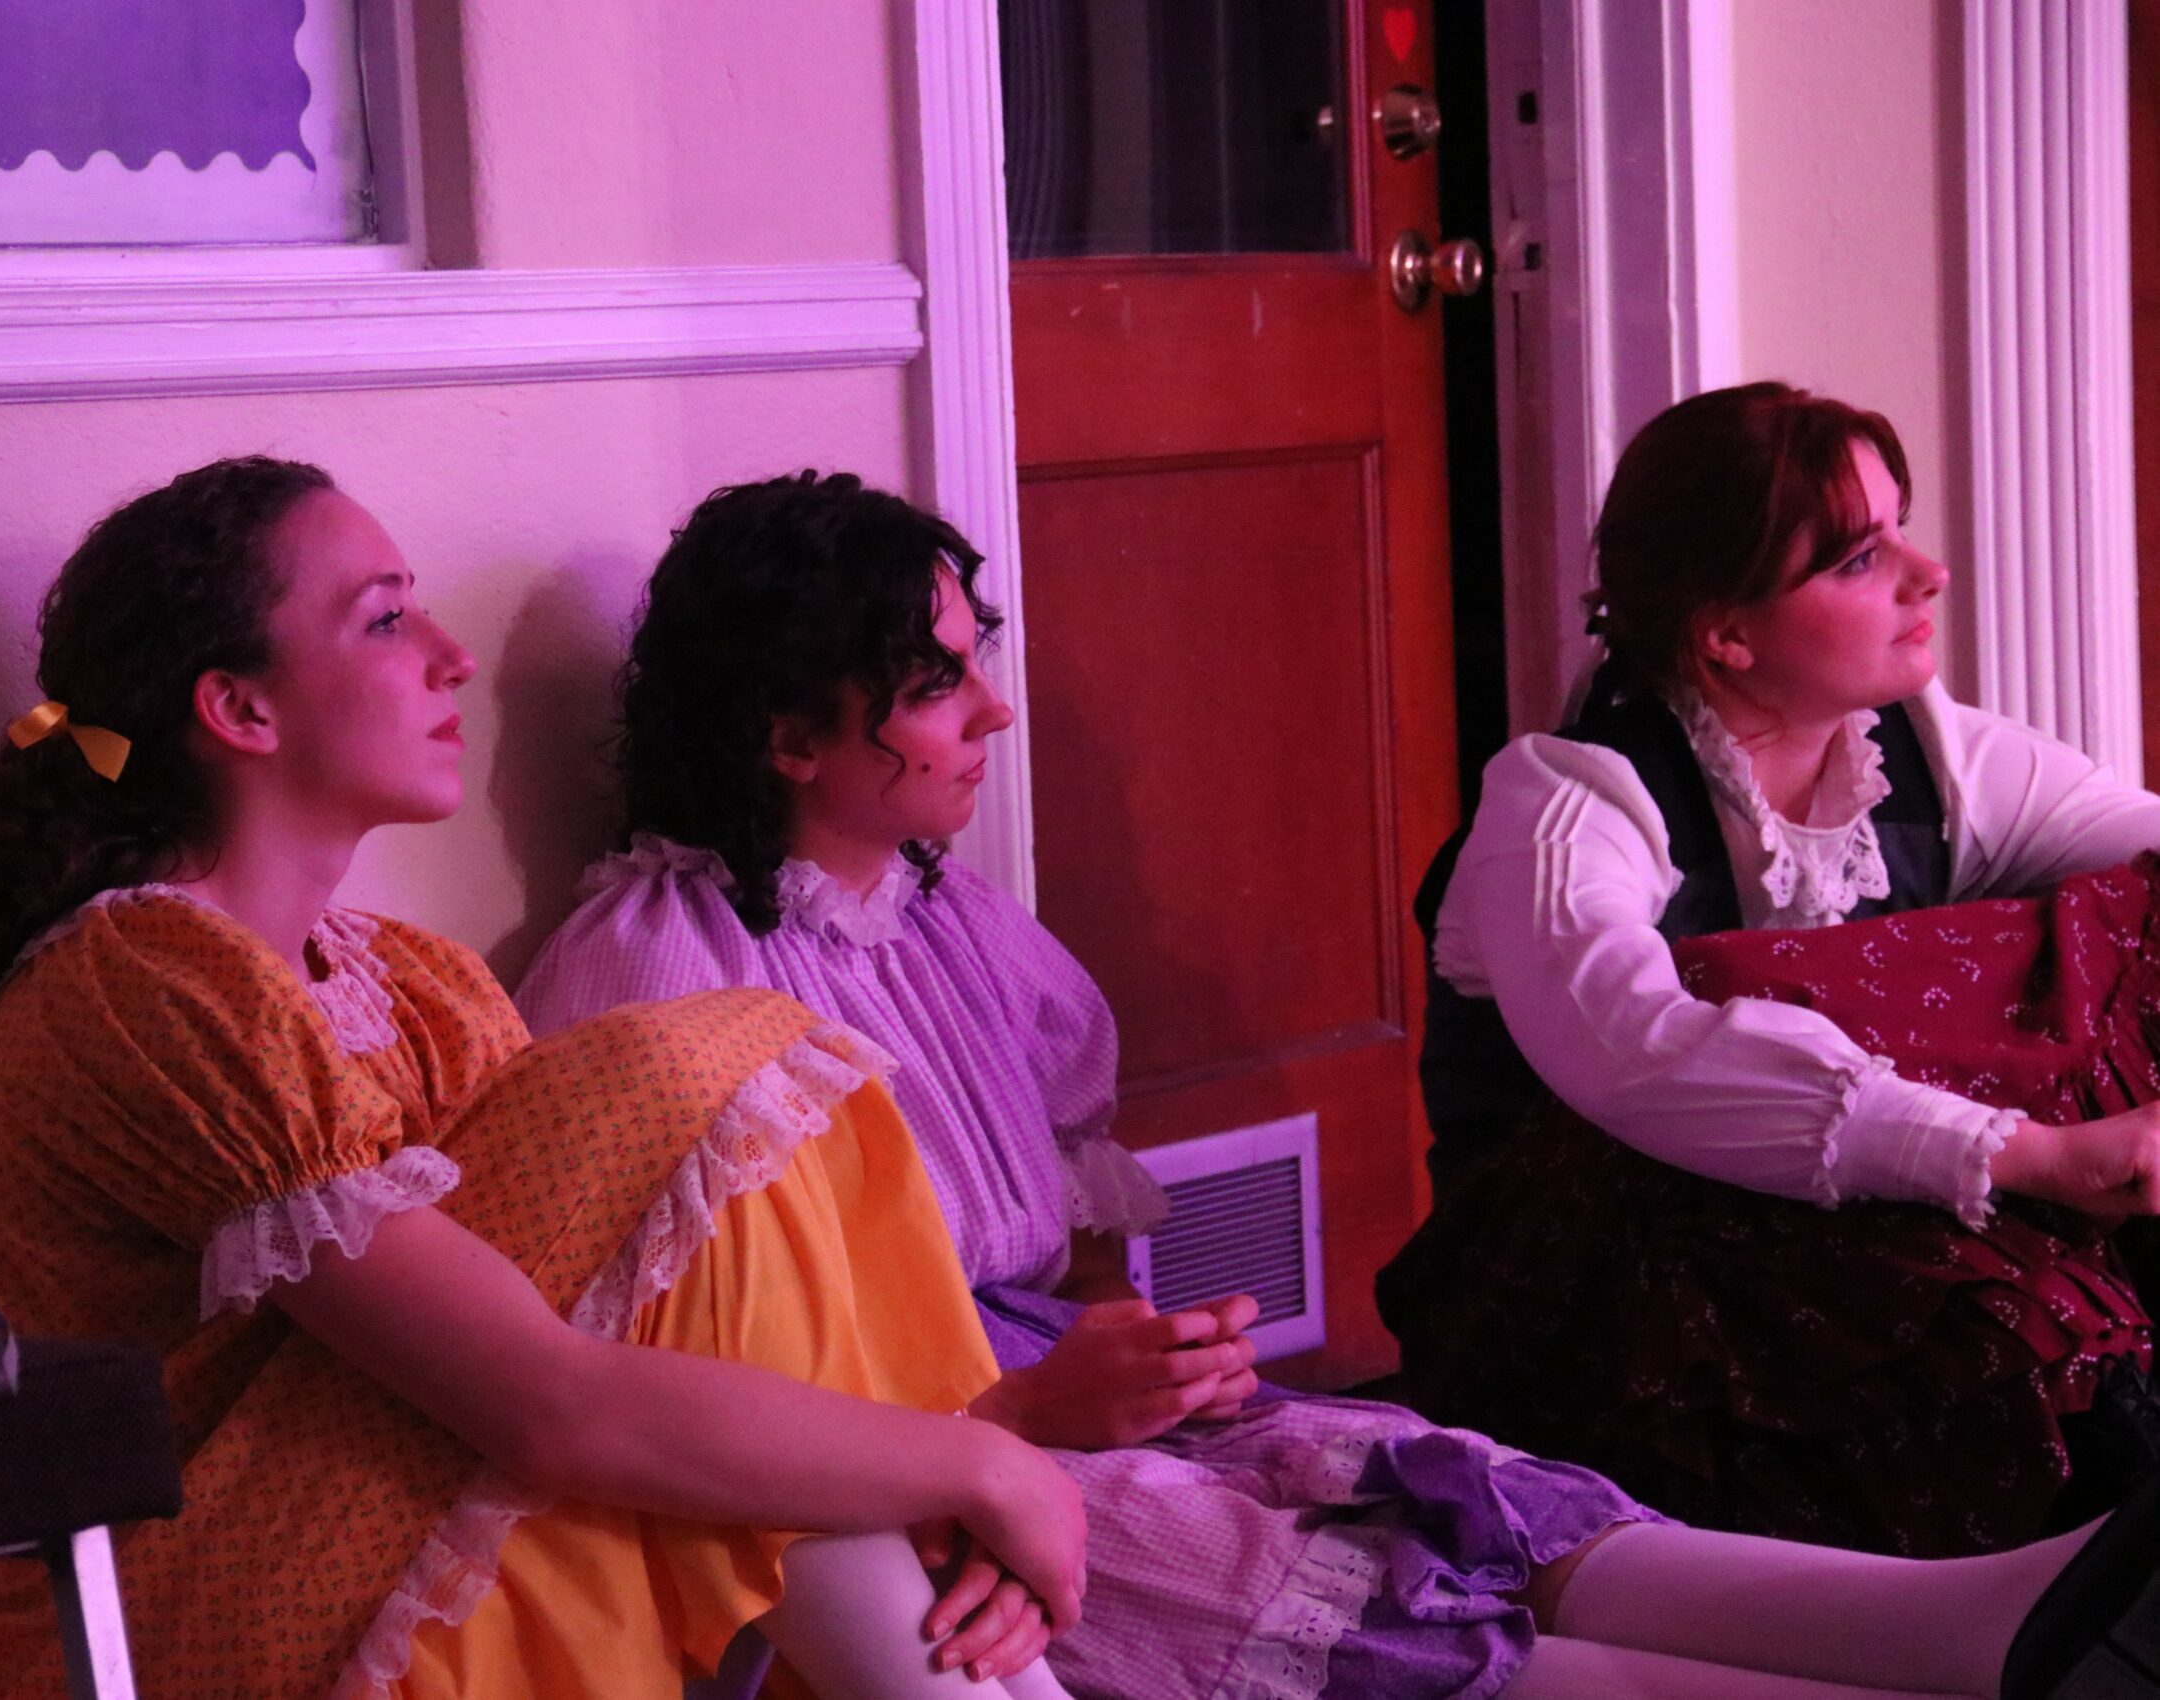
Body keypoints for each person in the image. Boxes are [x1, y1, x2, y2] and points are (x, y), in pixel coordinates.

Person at [513, 466, 2160, 1700]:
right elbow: (681, 1379)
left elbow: (1074, 1226)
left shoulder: (956, 918)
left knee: (1457, 1495)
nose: (993, 710)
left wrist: (1139, 1350)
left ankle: (1977, 1626)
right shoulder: (659, 972)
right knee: (1368, 1595)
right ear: (796, 738)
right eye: (941, 682)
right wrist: (1010, 1427)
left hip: (1035, 1398)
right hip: (886, 1455)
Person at [0, 457, 1093, 1700]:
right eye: (383, 618)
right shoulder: (144, 980)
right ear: (241, 711)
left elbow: (631, 1321)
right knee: (688, 1067)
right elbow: (550, 1404)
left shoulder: (416, 981)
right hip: (173, 1619)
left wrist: (951, 1464)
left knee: (696, 1233)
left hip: (347, 1523)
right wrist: (985, 1470)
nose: (450, 654)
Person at [1378, 382, 2160, 1557]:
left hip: (1817, 1245)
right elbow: (1645, 1054)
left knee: (2136, 916)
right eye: (1859, 557)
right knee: (2018, 1320)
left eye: (1902, 526)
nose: (1926, 571)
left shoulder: (1930, 758)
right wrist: (2029, 1151)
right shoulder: (1565, 801)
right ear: (1727, 632)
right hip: (1575, 1292)